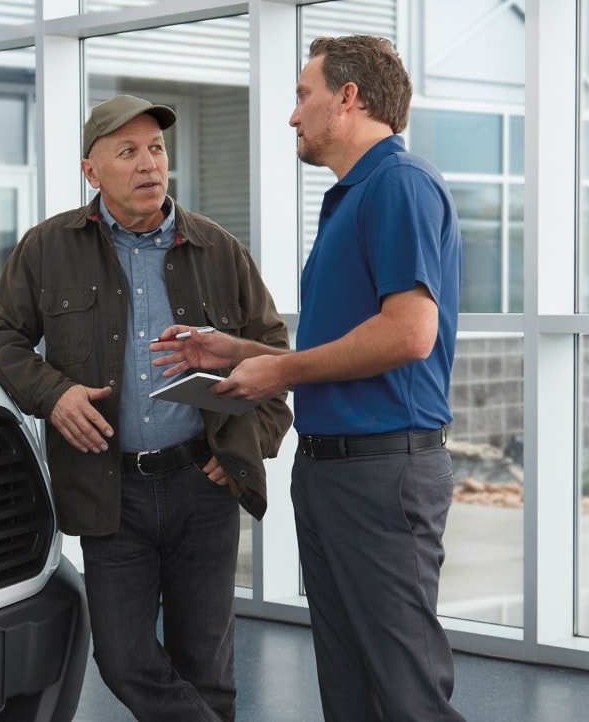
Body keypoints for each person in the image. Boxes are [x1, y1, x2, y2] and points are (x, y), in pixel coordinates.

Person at [151, 35, 465, 721]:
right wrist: (235, 351)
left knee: (406, 694)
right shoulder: (351, 198)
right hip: (334, 471)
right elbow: (350, 338)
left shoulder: (398, 185)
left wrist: (280, 371)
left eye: (303, 95)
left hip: (381, 474)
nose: (293, 115)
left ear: (347, 98)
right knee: (351, 691)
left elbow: (410, 332)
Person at [0, 94, 293, 721]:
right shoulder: (47, 249)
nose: (149, 165)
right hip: (110, 489)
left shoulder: (218, 250)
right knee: (122, 658)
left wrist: (250, 444)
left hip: (204, 482)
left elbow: (275, 358)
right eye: (128, 152)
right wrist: (53, 394)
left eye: (156, 149)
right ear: (92, 171)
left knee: (208, 668)